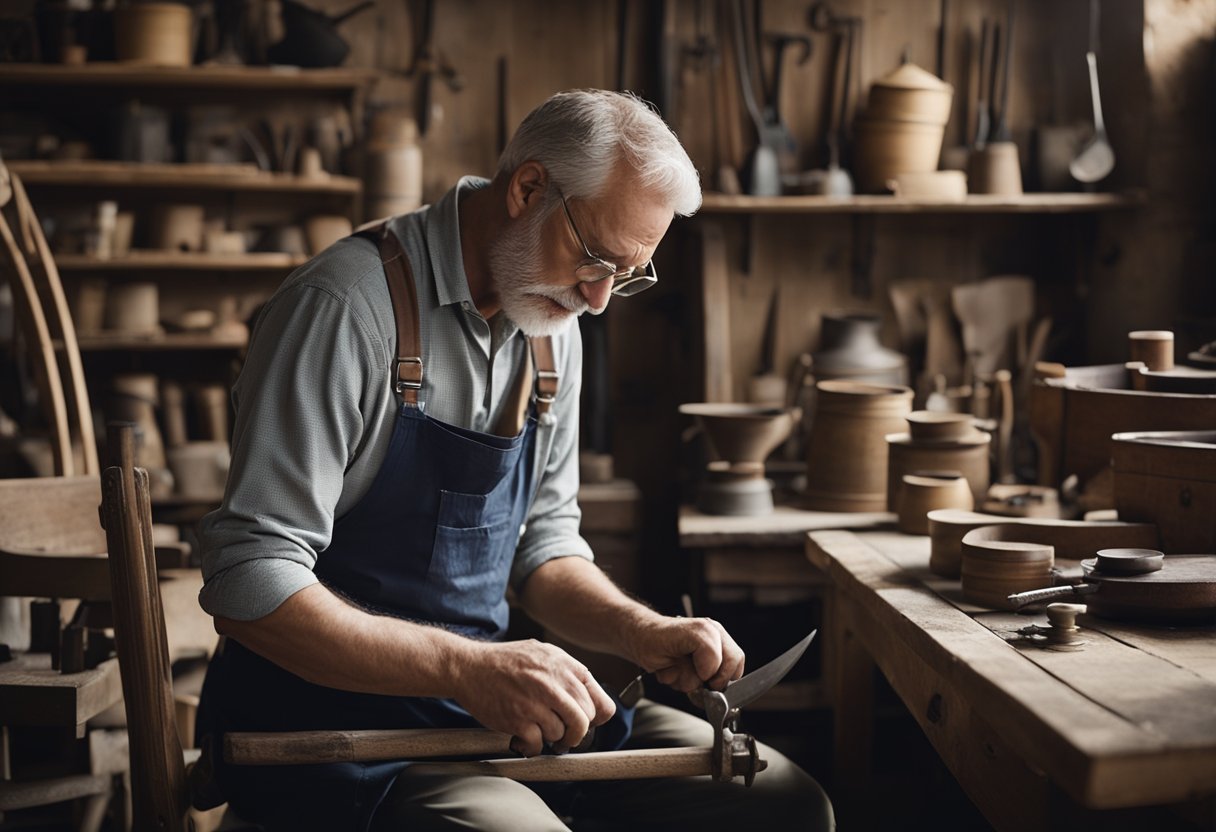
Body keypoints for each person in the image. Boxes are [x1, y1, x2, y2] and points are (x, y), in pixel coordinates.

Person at [195, 89, 834, 831]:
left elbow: (543, 550)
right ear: (528, 189)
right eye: (596, 258)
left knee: (784, 806)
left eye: (626, 274)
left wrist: (637, 630)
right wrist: (467, 668)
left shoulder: (553, 324)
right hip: (334, 733)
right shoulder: (344, 311)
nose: (599, 300)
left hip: (484, 712)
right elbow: (248, 580)